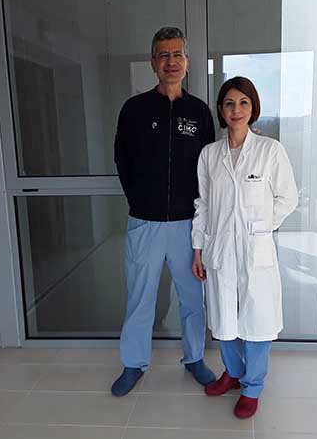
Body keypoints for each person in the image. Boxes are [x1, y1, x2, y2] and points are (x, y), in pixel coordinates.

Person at [112, 27, 216, 396]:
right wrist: (140, 201)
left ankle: (194, 358)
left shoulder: (199, 112)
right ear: (153, 63)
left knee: (192, 298)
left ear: (187, 62)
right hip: (146, 222)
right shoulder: (134, 109)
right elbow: (122, 160)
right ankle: (133, 363)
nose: (171, 62)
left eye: (177, 54)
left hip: (188, 225)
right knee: (140, 297)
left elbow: (208, 167)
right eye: (163, 55)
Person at [191, 76, 298, 418]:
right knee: (224, 317)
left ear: (253, 108)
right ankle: (233, 373)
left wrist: (261, 227)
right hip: (220, 248)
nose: (236, 110)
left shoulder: (270, 151)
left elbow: (288, 198)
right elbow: (203, 204)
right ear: (221, 110)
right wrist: (198, 248)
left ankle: (252, 387)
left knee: (257, 319)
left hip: (255, 249)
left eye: (243, 103)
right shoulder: (209, 155)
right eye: (229, 103)